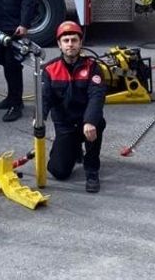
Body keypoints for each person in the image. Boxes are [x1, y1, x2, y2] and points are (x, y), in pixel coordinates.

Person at [40, 21, 106, 193]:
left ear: (80, 43)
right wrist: (39, 118)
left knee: (96, 125)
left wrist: (90, 121)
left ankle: (92, 170)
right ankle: (72, 148)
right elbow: (45, 97)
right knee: (59, 172)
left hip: (86, 122)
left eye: (74, 40)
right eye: (66, 40)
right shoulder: (49, 69)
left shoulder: (93, 67)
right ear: (59, 45)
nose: (70, 44)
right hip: (65, 125)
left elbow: (96, 97)